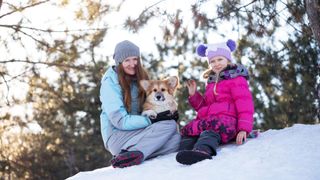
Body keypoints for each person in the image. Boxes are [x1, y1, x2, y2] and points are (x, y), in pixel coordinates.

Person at [99, 40, 180, 168]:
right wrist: (153, 120)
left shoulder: (139, 78)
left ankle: (134, 155)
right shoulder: (110, 83)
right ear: (119, 62)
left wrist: (167, 113)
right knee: (169, 126)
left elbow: (149, 106)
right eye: (127, 60)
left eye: (135, 59)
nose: (132, 64)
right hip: (117, 136)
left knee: (175, 139)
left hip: (137, 133)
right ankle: (132, 153)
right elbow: (120, 121)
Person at [176, 39, 255, 165]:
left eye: (220, 59)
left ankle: (202, 151)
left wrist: (243, 129)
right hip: (212, 120)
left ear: (228, 59)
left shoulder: (236, 79)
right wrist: (193, 94)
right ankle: (183, 150)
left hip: (227, 122)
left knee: (210, 132)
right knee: (188, 136)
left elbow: (245, 105)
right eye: (212, 61)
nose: (216, 63)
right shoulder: (211, 82)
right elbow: (205, 108)